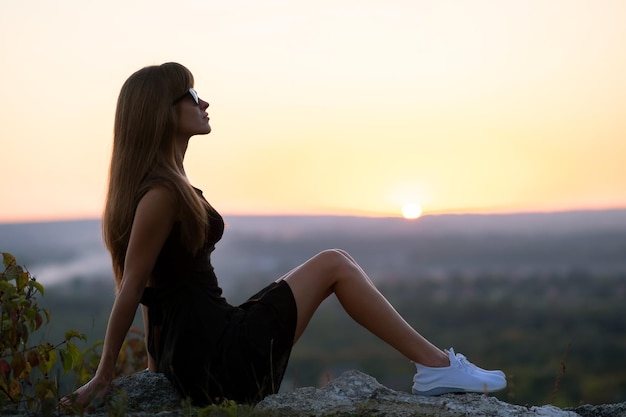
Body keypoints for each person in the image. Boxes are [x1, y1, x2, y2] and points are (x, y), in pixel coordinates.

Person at [65, 62, 506, 408]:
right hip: (219, 358)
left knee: (336, 262)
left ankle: (438, 365)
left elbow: (156, 290)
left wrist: (156, 368)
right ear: (162, 112)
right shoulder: (161, 194)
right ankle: (436, 367)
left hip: (209, 347)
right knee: (335, 262)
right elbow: (135, 286)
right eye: (193, 95)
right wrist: (106, 376)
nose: (205, 103)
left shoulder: (165, 186)